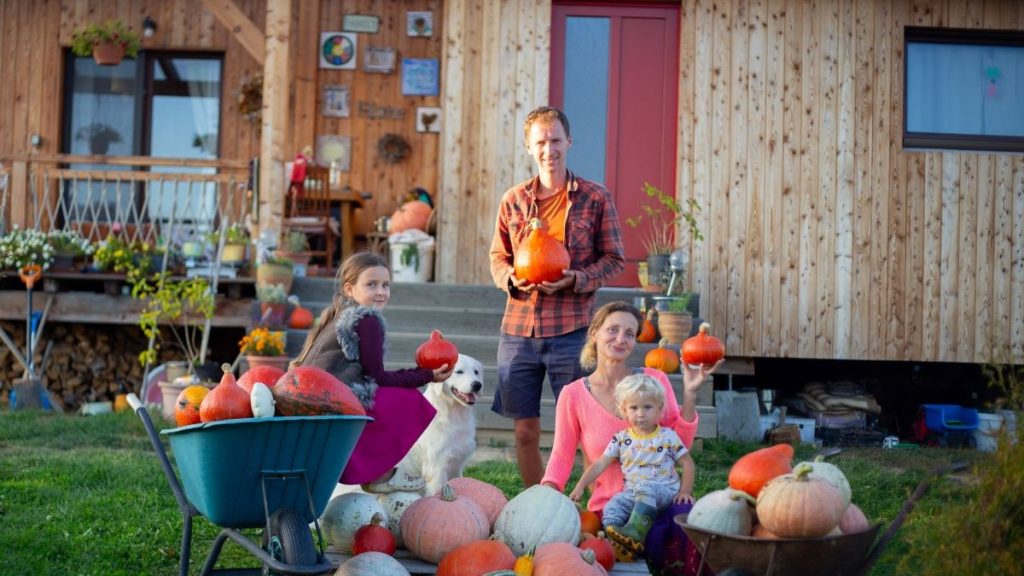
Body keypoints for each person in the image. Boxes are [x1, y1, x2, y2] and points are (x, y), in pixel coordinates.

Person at [489, 106, 625, 487]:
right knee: (525, 431)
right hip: (518, 330)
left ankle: (589, 505)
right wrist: (512, 278)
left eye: (555, 140)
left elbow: (615, 259)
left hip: (572, 330)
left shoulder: (596, 199)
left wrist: (576, 279)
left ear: (569, 142)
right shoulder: (513, 200)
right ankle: (537, 504)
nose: (549, 149)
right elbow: (498, 256)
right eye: (541, 142)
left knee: (586, 430)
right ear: (529, 148)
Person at [541, 301, 720, 559]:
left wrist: (690, 394)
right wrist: (548, 489)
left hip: (659, 500)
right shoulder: (573, 395)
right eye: (612, 330)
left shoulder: (654, 381)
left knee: (680, 530)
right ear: (594, 333)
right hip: (612, 507)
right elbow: (561, 454)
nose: (620, 339)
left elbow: (678, 443)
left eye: (629, 333)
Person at [293, 251, 454, 492]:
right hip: (334, 405)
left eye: (386, 285)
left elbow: (369, 374)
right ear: (349, 288)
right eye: (371, 284)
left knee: (387, 394)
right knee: (408, 399)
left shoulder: (336, 316)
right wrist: (426, 375)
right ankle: (381, 474)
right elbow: (377, 377)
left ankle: (377, 474)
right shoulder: (366, 320)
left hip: (316, 400)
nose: (381, 291)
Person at [568, 373, 695, 557]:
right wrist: (580, 486)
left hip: (663, 491)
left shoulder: (667, 436)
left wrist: (685, 491)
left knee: (646, 487)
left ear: (660, 409)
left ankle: (636, 534)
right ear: (624, 411)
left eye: (647, 407)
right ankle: (620, 544)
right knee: (612, 507)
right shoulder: (621, 440)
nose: (640, 413)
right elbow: (599, 464)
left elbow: (687, 463)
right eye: (634, 408)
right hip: (634, 494)